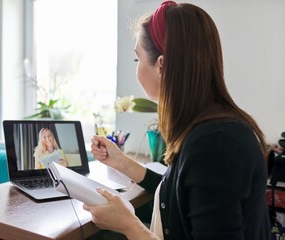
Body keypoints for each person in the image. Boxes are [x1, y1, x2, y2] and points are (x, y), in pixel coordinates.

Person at [84, 1, 270, 239]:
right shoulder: (207, 129)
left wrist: (129, 226)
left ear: (161, 65)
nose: (137, 68)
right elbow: (181, 192)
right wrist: (122, 162)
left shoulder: (214, 146)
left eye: (136, 59)